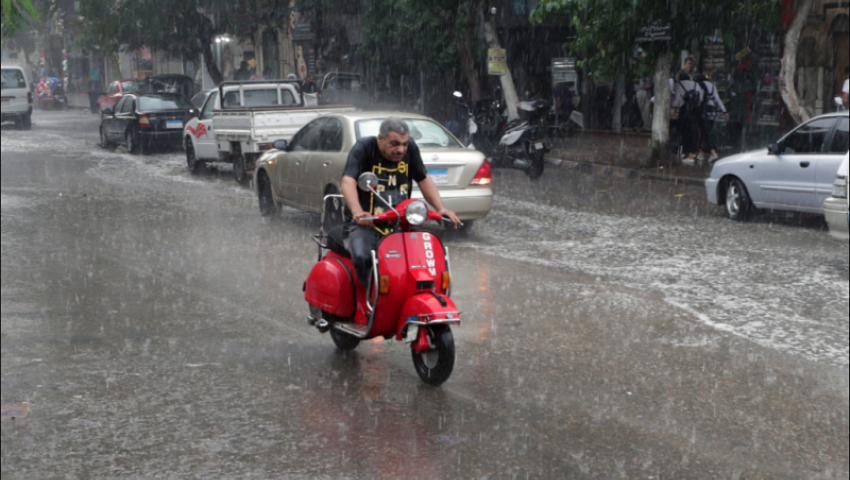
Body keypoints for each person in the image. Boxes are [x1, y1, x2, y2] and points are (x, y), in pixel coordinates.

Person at [341, 117, 461, 288]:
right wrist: (357, 212)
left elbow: (423, 179)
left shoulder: (410, 148)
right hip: (365, 225)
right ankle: (372, 301)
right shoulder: (364, 147)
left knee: (424, 260)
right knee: (364, 257)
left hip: (401, 224)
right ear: (380, 138)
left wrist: (441, 208)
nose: (401, 149)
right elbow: (348, 181)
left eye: (404, 144)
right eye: (394, 143)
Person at [694, 74, 730, 165]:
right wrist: (724, 111)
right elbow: (717, 100)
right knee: (707, 131)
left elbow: (700, 100)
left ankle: (713, 152)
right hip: (712, 113)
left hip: (703, 112)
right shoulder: (712, 86)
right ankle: (701, 153)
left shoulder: (699, 85)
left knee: (705, 132)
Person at [672, 72, 703, 163]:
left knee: (684, 131)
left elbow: (677, 100)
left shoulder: (678, 84)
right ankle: (692, 153)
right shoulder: (696, 84)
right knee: (694, 131)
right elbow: (700, 98)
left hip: (684, 110)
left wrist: (674, 109)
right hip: (695, 110)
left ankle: (687, 154)